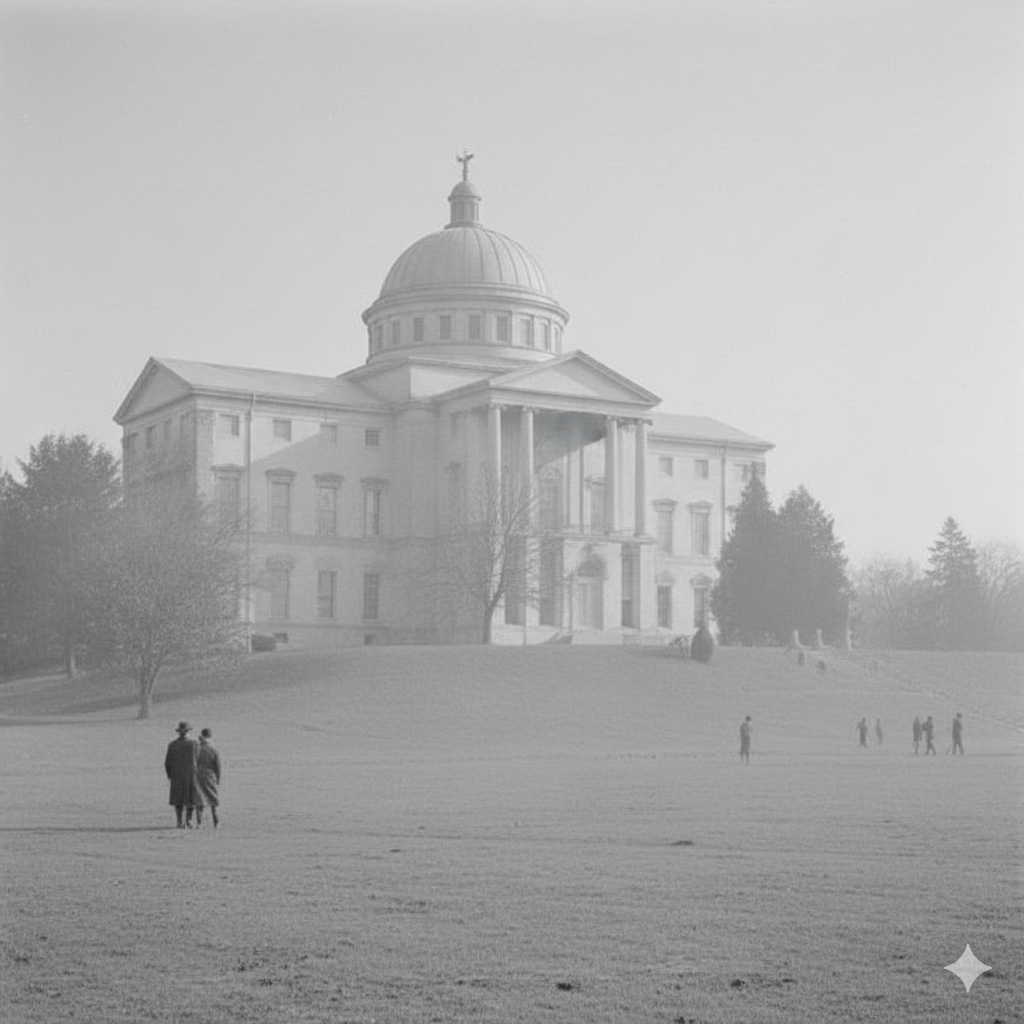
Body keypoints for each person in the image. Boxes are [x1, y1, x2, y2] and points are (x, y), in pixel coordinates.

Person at [164, 721, 199, 828]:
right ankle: (188, 821)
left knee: (178, 800)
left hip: (177, 776)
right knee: (191, 800)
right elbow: (198, 761)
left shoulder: (172, 744)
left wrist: (170, 775)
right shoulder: (194, 744)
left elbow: (167, 762)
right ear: (188, 731)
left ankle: (179, 821)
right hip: (191, 776)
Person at [196, 727, 222, 827]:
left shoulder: (197, 749)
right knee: (213, 799)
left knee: (199, 799)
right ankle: (216, 821)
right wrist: (218, 779)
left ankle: (199, 823)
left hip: (198, 776)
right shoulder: (213, 750)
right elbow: (218, 767)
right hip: (210, 776)